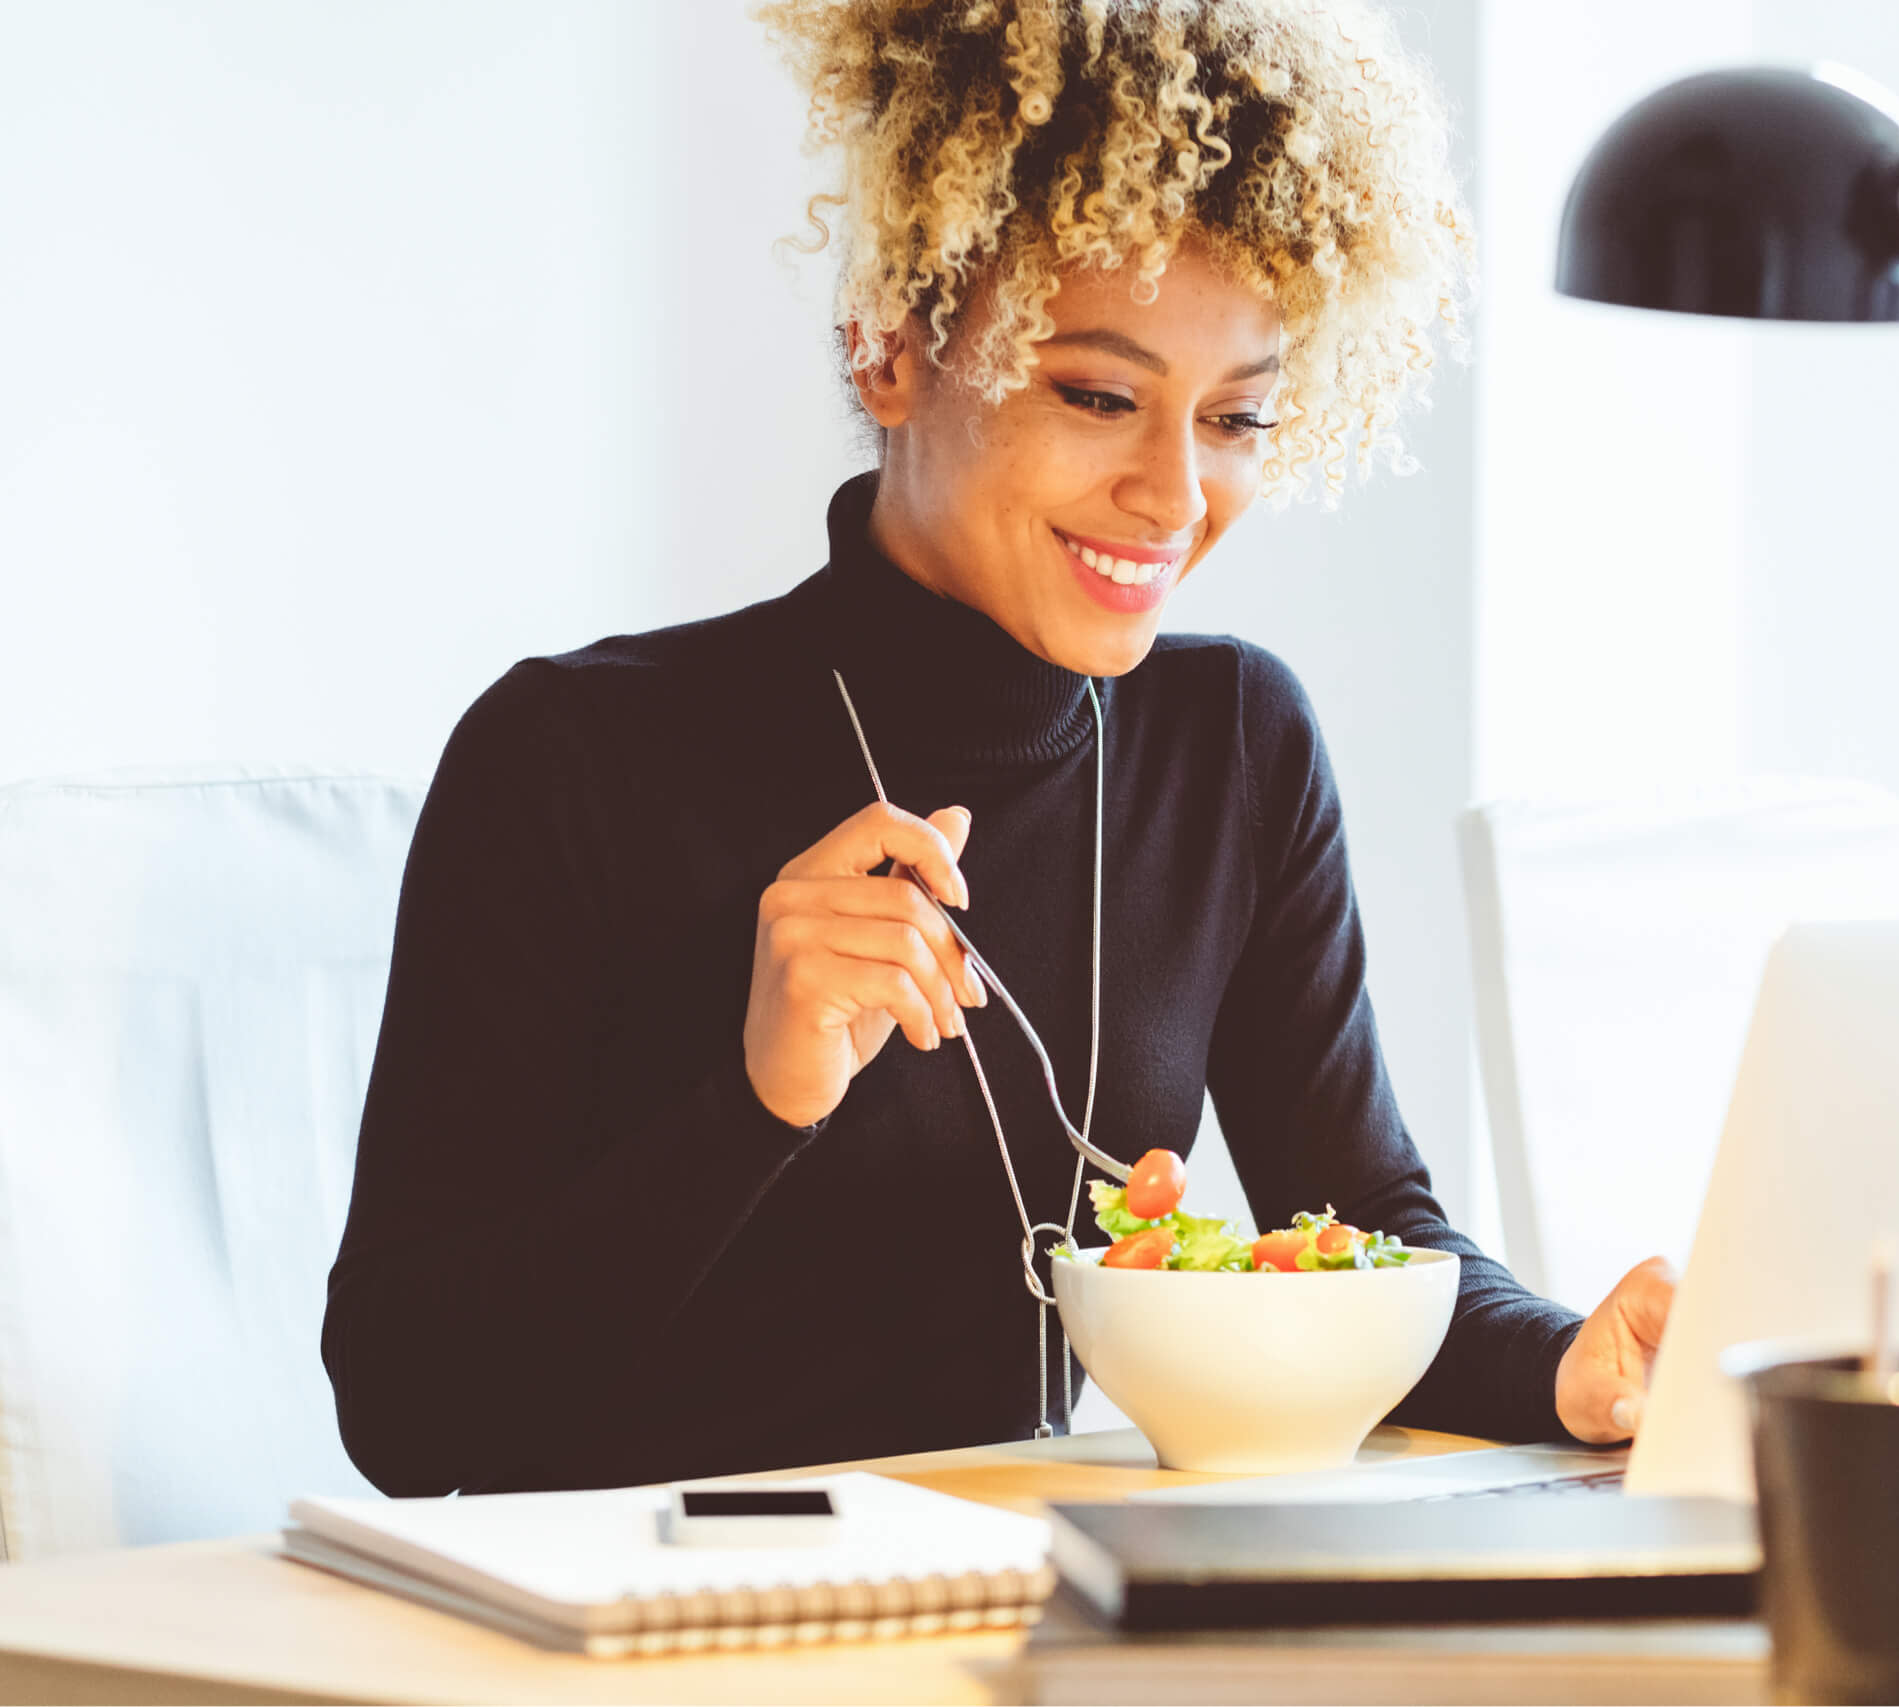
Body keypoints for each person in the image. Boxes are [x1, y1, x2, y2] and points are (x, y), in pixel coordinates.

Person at [322, 0, 1673, 1498]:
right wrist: (757, 1098)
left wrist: (1568, 1365)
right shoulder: (571, 755)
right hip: (644, 1627)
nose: (1173, 496)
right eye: (1098, 396)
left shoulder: (1230, 744)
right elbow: (403, 1408)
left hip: (1017, 1611)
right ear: (891, 345)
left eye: (1237, 419)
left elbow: (1369, 1233)